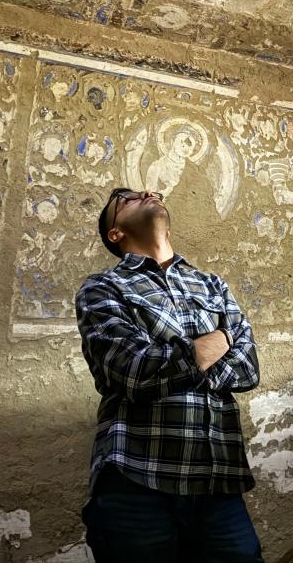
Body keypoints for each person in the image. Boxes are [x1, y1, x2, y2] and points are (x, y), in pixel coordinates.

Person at [76, 188, 264, 562]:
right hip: (138, 483)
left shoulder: (213, 286)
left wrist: (181, 362)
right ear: (115, 233)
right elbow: (133, 372)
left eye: (150, 192)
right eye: (127, 198)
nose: (147, 193)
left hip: (218, 488)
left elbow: (248, 369)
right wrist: (224, 338)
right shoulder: (103, 288)